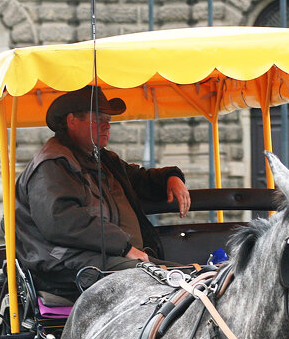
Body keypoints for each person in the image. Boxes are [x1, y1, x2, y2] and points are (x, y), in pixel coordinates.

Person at [15, 84, 191, 299]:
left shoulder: (101, 159)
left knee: (189, 276)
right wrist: (123, 246)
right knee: (164, 281)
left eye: (108, 120)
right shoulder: (53, 164)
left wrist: (171, 178)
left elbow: (138, 179)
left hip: (111, 255)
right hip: (65, 263)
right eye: (98, 119)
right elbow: (63, 221)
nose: (107, 126)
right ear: (72, 121)